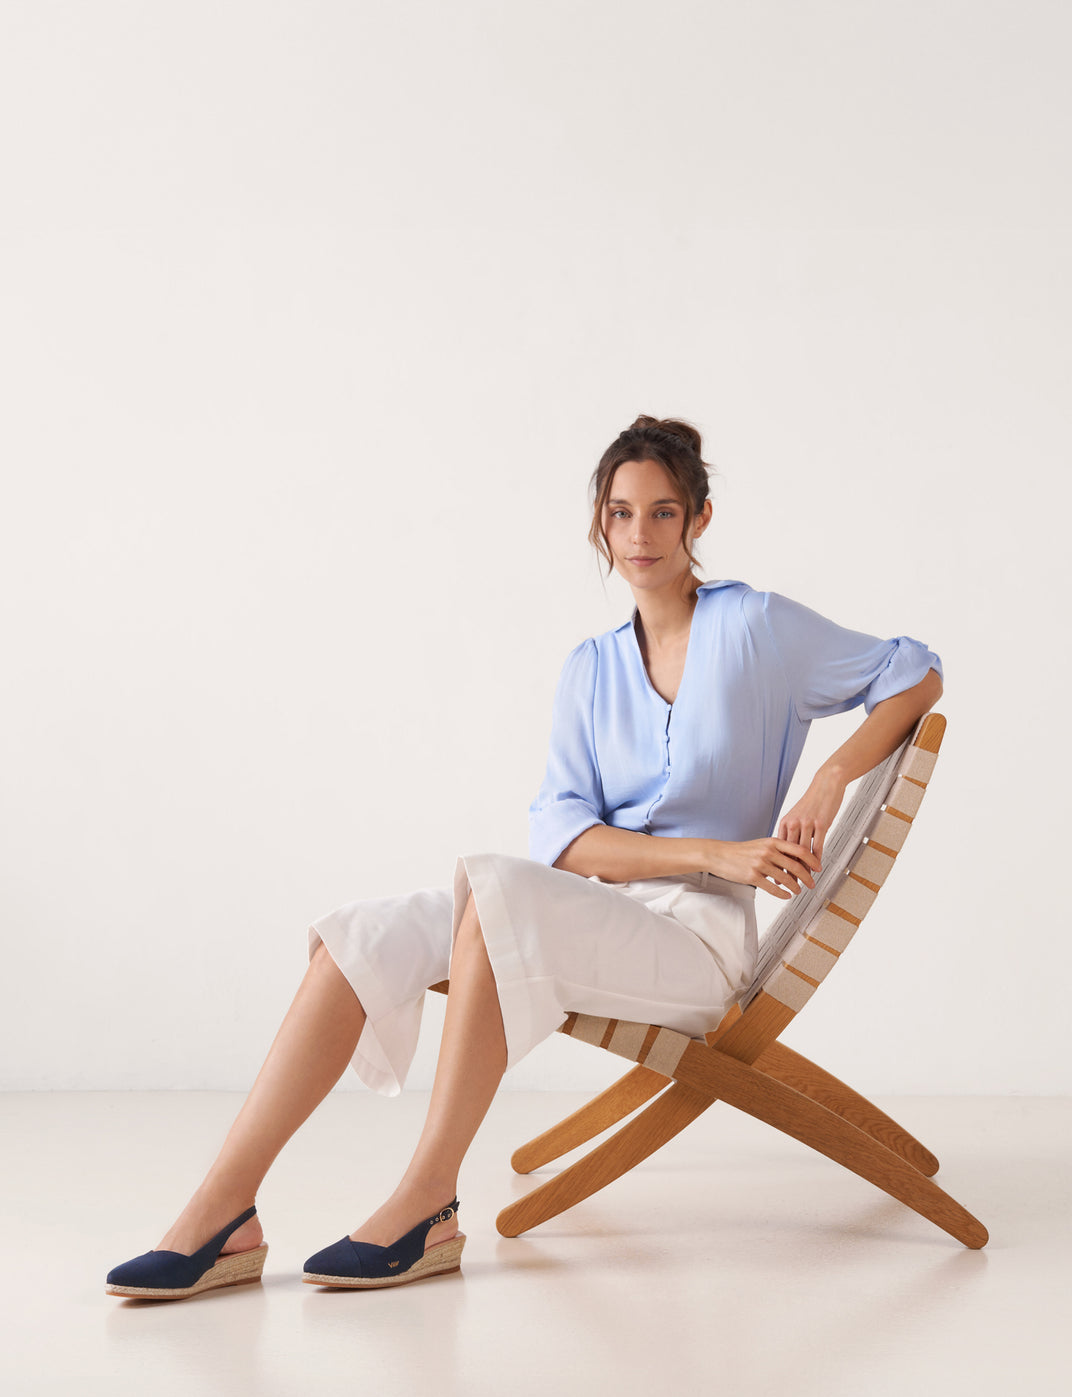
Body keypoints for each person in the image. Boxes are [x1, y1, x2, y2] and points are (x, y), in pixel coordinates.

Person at [106, 415, 943, 1299]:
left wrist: (830, 781)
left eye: (663, 513)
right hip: (593, 911)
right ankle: (223, 1213)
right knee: (366, 933)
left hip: (696, 942)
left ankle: (428, 1201)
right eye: (621, 514)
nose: (640, 535)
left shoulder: (758, 628)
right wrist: (718, 851)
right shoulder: (589, 670)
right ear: (600, 523)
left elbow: (913, 670)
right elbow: (565, 838)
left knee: (497, 891)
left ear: (699, 520)